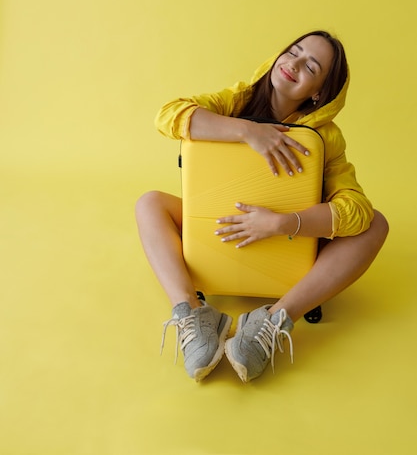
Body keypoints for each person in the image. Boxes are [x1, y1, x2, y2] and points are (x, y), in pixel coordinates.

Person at [135, 31, 389, 383]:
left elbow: (356, 209)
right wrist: (247, 132)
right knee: (149, 203)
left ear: (318, 92)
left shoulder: (326, 136)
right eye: (293, 52)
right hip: (218, 231)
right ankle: (192, 313)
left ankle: (272, 321)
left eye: (310, 65)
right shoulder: (237, 100)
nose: (294, 64)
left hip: (286, 246)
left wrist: (283, 223)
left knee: (376, 224)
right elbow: (169, 115)